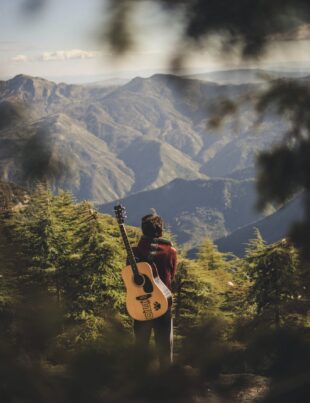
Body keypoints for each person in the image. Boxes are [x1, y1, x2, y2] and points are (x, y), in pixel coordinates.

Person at [131, 210, 177, 369]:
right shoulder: (170, 251)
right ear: (160, 231)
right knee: (164, 347)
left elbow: (128, 278)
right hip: (162, 303)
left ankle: (139, 381)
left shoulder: (134, 252)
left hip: (140, 304)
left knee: (140, 346)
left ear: (143, 231)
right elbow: (172, 274)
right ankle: (165, 382)